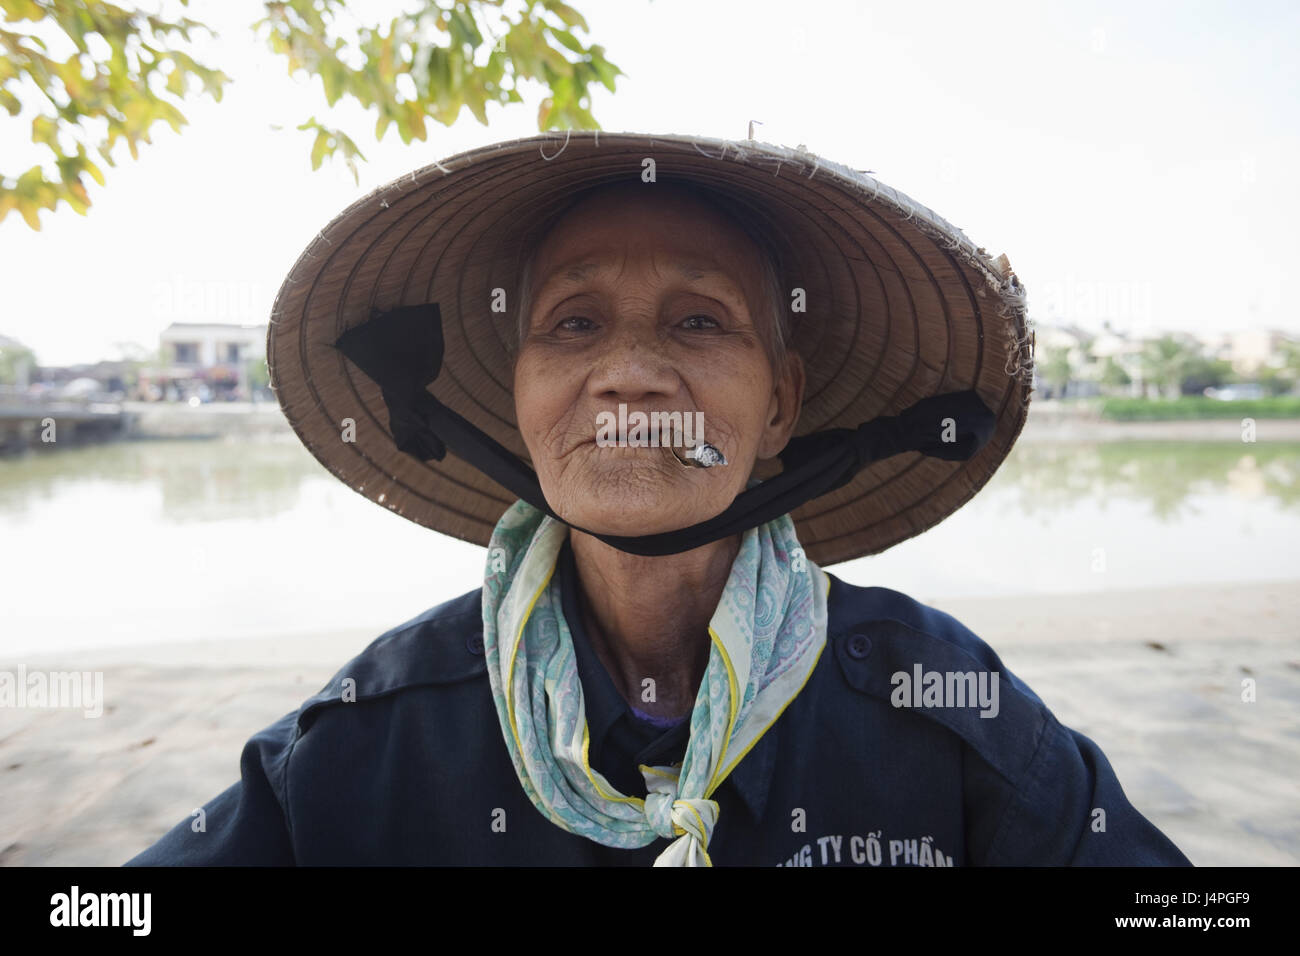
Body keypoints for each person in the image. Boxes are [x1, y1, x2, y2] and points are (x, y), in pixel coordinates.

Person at [125, 131, 1190, 866]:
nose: (626, 373)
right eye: (575, 324)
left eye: (698, 322)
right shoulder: (373, 729)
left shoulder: (942, 700)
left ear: (783, 406)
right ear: (521, 393)